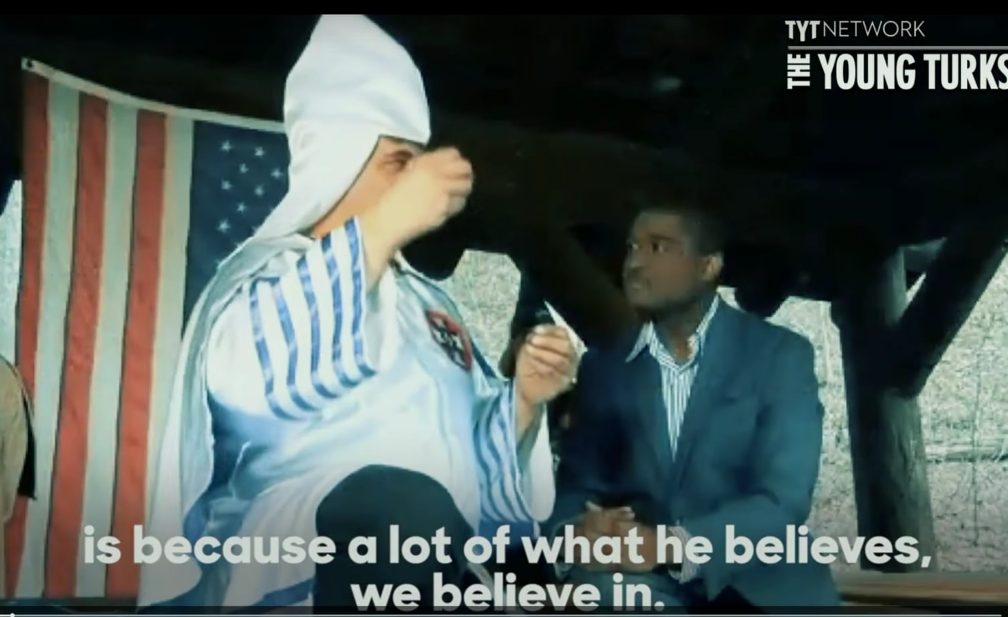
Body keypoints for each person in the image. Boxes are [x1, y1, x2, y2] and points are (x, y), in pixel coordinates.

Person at [139, 15, 577, 610]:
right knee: (397, 510)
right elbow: (252, 383)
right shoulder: (267, 277)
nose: (417, 182)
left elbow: (472, 472)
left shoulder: (433, 307)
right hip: (301, 562)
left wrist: (522, 401)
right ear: (337, 158)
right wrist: (387, 223)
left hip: (434, 568)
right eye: (398, 162)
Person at [546, 199, 839, 609]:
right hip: (648, 587)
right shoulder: (604, 367)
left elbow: (783, 500)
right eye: (632, 248)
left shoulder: (779, 356)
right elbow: (578, 485)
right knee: (596, 591)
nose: (635, 263)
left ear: (708, 266)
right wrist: (578, 531)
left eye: (658, 247)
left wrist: (670, 545)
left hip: (761, 590)